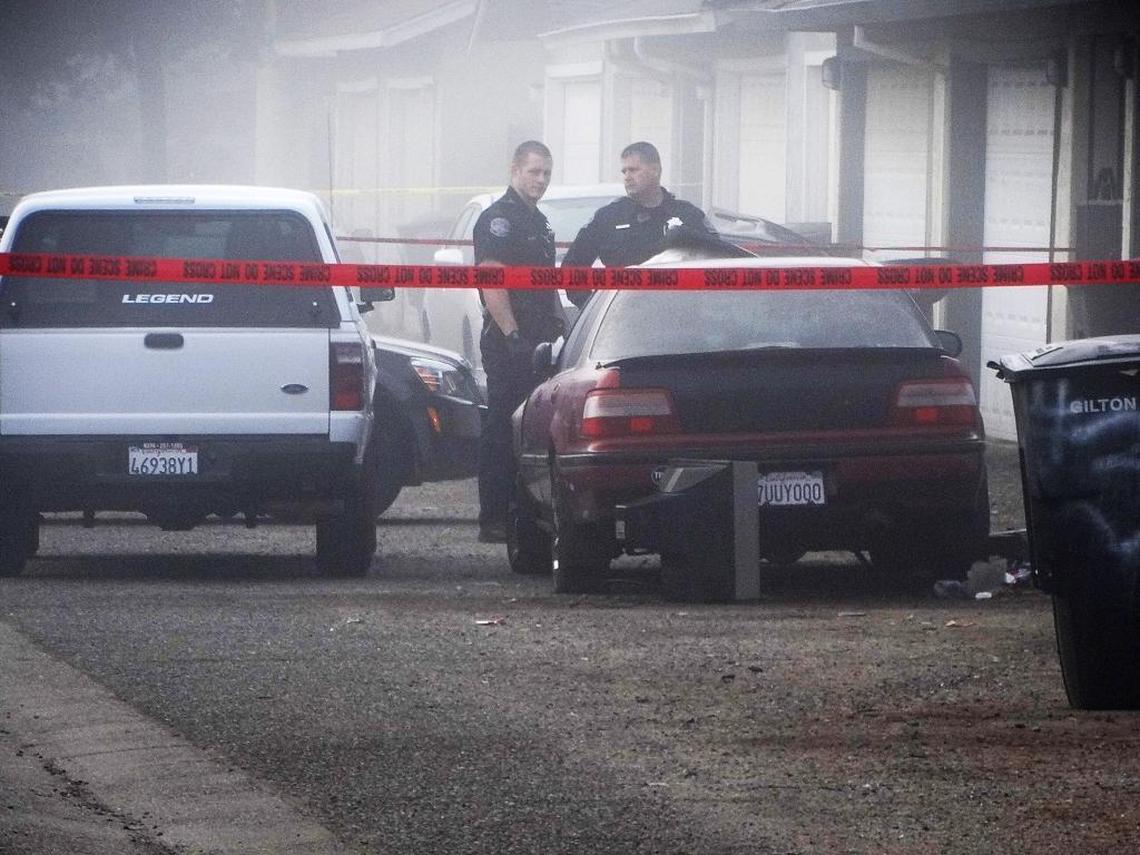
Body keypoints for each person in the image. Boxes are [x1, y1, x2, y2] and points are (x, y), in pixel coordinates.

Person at [473, 140, 563, 544]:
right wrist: (512, 335)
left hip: (542, 339)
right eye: (534, 171)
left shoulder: (540, 223)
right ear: (515, 170)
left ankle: (528, 511)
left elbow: (547, 285)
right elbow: (492, 281)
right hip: (510, 341)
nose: (540, 180)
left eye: (546, 172)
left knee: (535, 428)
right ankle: (493, 516)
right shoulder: (499, 221)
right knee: (501, 427)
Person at [562, 141, 718, 306]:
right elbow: (571, 267)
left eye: (634, 170)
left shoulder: (687, 216)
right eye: (624, 171)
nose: (627, 177)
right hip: (624, 320)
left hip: (678, 316)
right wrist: (594, 307)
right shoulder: (608, 218)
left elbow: (718, 262)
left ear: (655, 170)